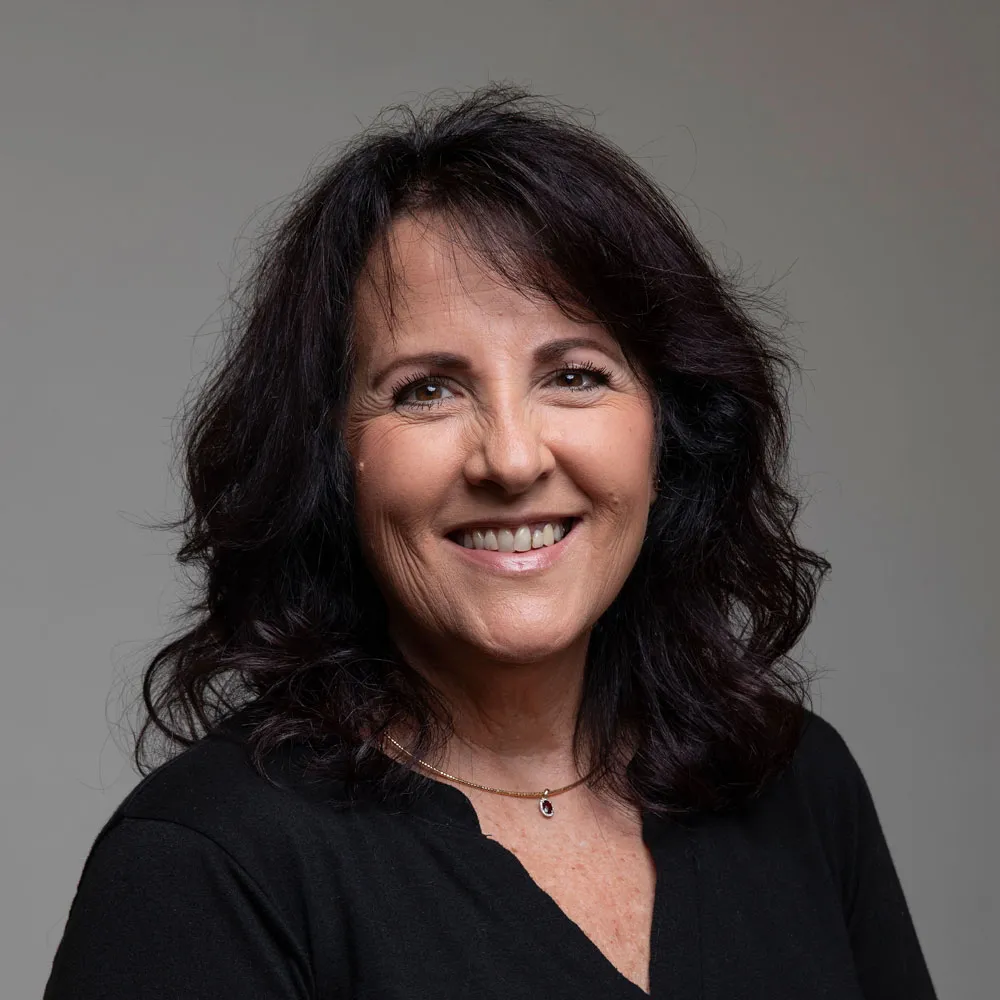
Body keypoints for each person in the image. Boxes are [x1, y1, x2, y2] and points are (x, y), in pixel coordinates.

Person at [43, 84, 937, 999]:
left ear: (668, 425)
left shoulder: (797, 783)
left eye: (576, 376)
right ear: (330, 453)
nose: (511, 458)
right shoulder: (205, 869)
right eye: (427, 390)